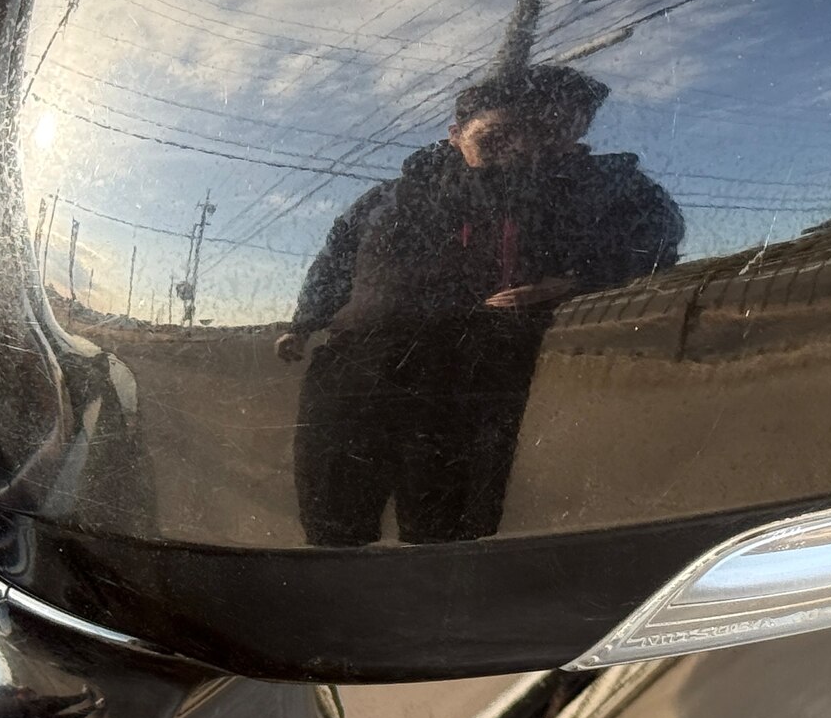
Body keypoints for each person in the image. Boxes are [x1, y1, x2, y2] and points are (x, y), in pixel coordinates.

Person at [279, 65, 682, 545]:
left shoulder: (580, 187)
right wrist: (304, 322)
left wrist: (574, 280)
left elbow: (654, 236)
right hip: (355, 369)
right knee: (332, 518)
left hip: (465, 381)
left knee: (444, 534)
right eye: (494, 137)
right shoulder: (397, 195)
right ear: (455, 135)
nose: (515, 148)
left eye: (555, 128)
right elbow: (337, 256)